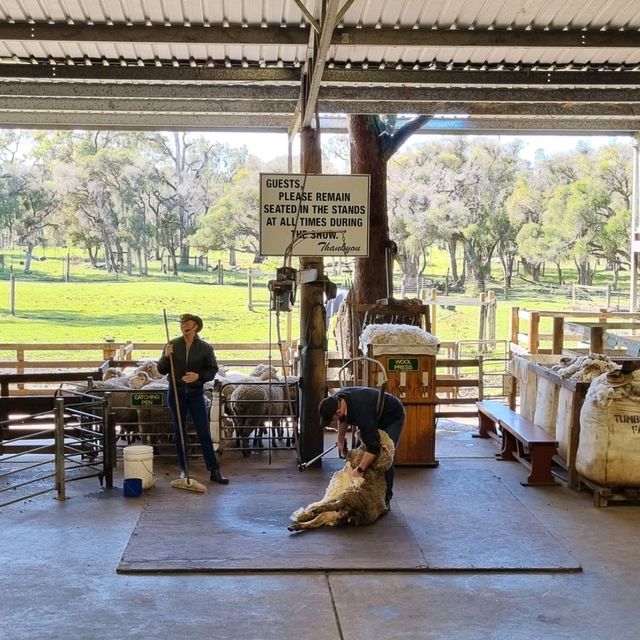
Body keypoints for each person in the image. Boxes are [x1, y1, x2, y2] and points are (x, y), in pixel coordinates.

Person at [157, 313, 229, 485]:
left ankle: (214, 470)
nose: (183, 327)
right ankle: (184, 469)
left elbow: (212, 370)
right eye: (181, 324)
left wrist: (198, 376)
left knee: (203, 431)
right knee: (180, 430)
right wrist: (165, 356)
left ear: (195, 326)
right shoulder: (172, 345)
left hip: (196, 393)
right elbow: (161, 369)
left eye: (187, 324)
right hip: (176, 392)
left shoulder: (205, 348)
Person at [319, 387, 405, 510]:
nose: (333, 422)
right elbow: (342, 419)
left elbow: (373, 447)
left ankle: (385, 500)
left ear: (338, 411)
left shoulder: (361, 412)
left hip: (392, 416)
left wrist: (359, 470)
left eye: (332, 420)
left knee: (385, 457)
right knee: (360, 453)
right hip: (373, 414)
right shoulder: (338, 399)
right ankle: (363, 494)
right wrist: (340, 439)